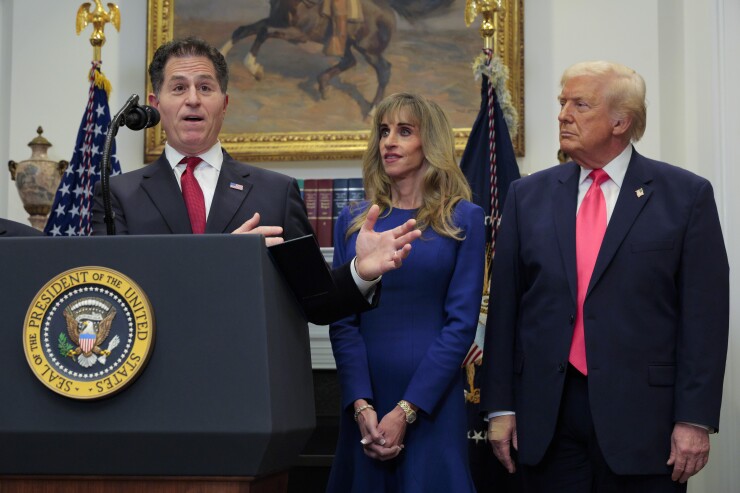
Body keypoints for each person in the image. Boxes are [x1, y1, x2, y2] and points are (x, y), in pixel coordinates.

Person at [480, 61, 729, 492]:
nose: (562, 115)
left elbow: (704, 319)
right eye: (562, 103)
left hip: (644, 422)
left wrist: (694, 418)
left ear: (621, 121)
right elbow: (505, 311)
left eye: (580, 104)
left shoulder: (685, 197)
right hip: (547, 419)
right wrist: (499, 407)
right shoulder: (528, 196)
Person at [91, 37, 421, 325]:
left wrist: (361, 270)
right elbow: (111, 302)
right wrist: (224, 259)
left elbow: (318, 305)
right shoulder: (119, 195)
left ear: (224, 103)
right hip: (152, 381)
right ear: (155, 104)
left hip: (250, 382)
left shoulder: (275, 192)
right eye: (178, 88)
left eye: (205, 88)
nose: (193, 99)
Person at [327, 92, 486, 492]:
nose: (389, 142)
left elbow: (461, 325)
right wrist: (361, 405)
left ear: (428, 143)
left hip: (431, 402)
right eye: (383, 132)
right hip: (364, 402)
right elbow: (342, 323)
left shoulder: (463, 218)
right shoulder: (354, 221)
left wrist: (406, 411)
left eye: (404, 131)